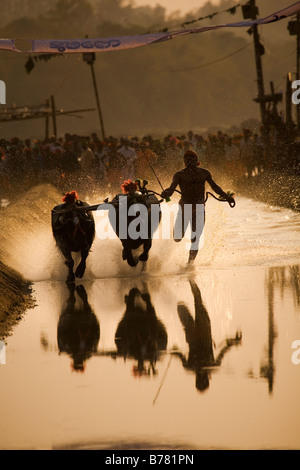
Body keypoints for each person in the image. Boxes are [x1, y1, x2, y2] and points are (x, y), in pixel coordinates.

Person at [161, 150, 235, 264]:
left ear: (197, 161)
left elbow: (215, 188)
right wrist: (165, 193)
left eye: (192, 158)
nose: (190, 161)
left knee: (195, 239)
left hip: (199, 209)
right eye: (188, 159)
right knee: (177, 238)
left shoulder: (204, 173)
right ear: (185, 162)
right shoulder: (179, 175)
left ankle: (189, 265)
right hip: (184, 209)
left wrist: (227, 197)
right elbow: (171, 190)